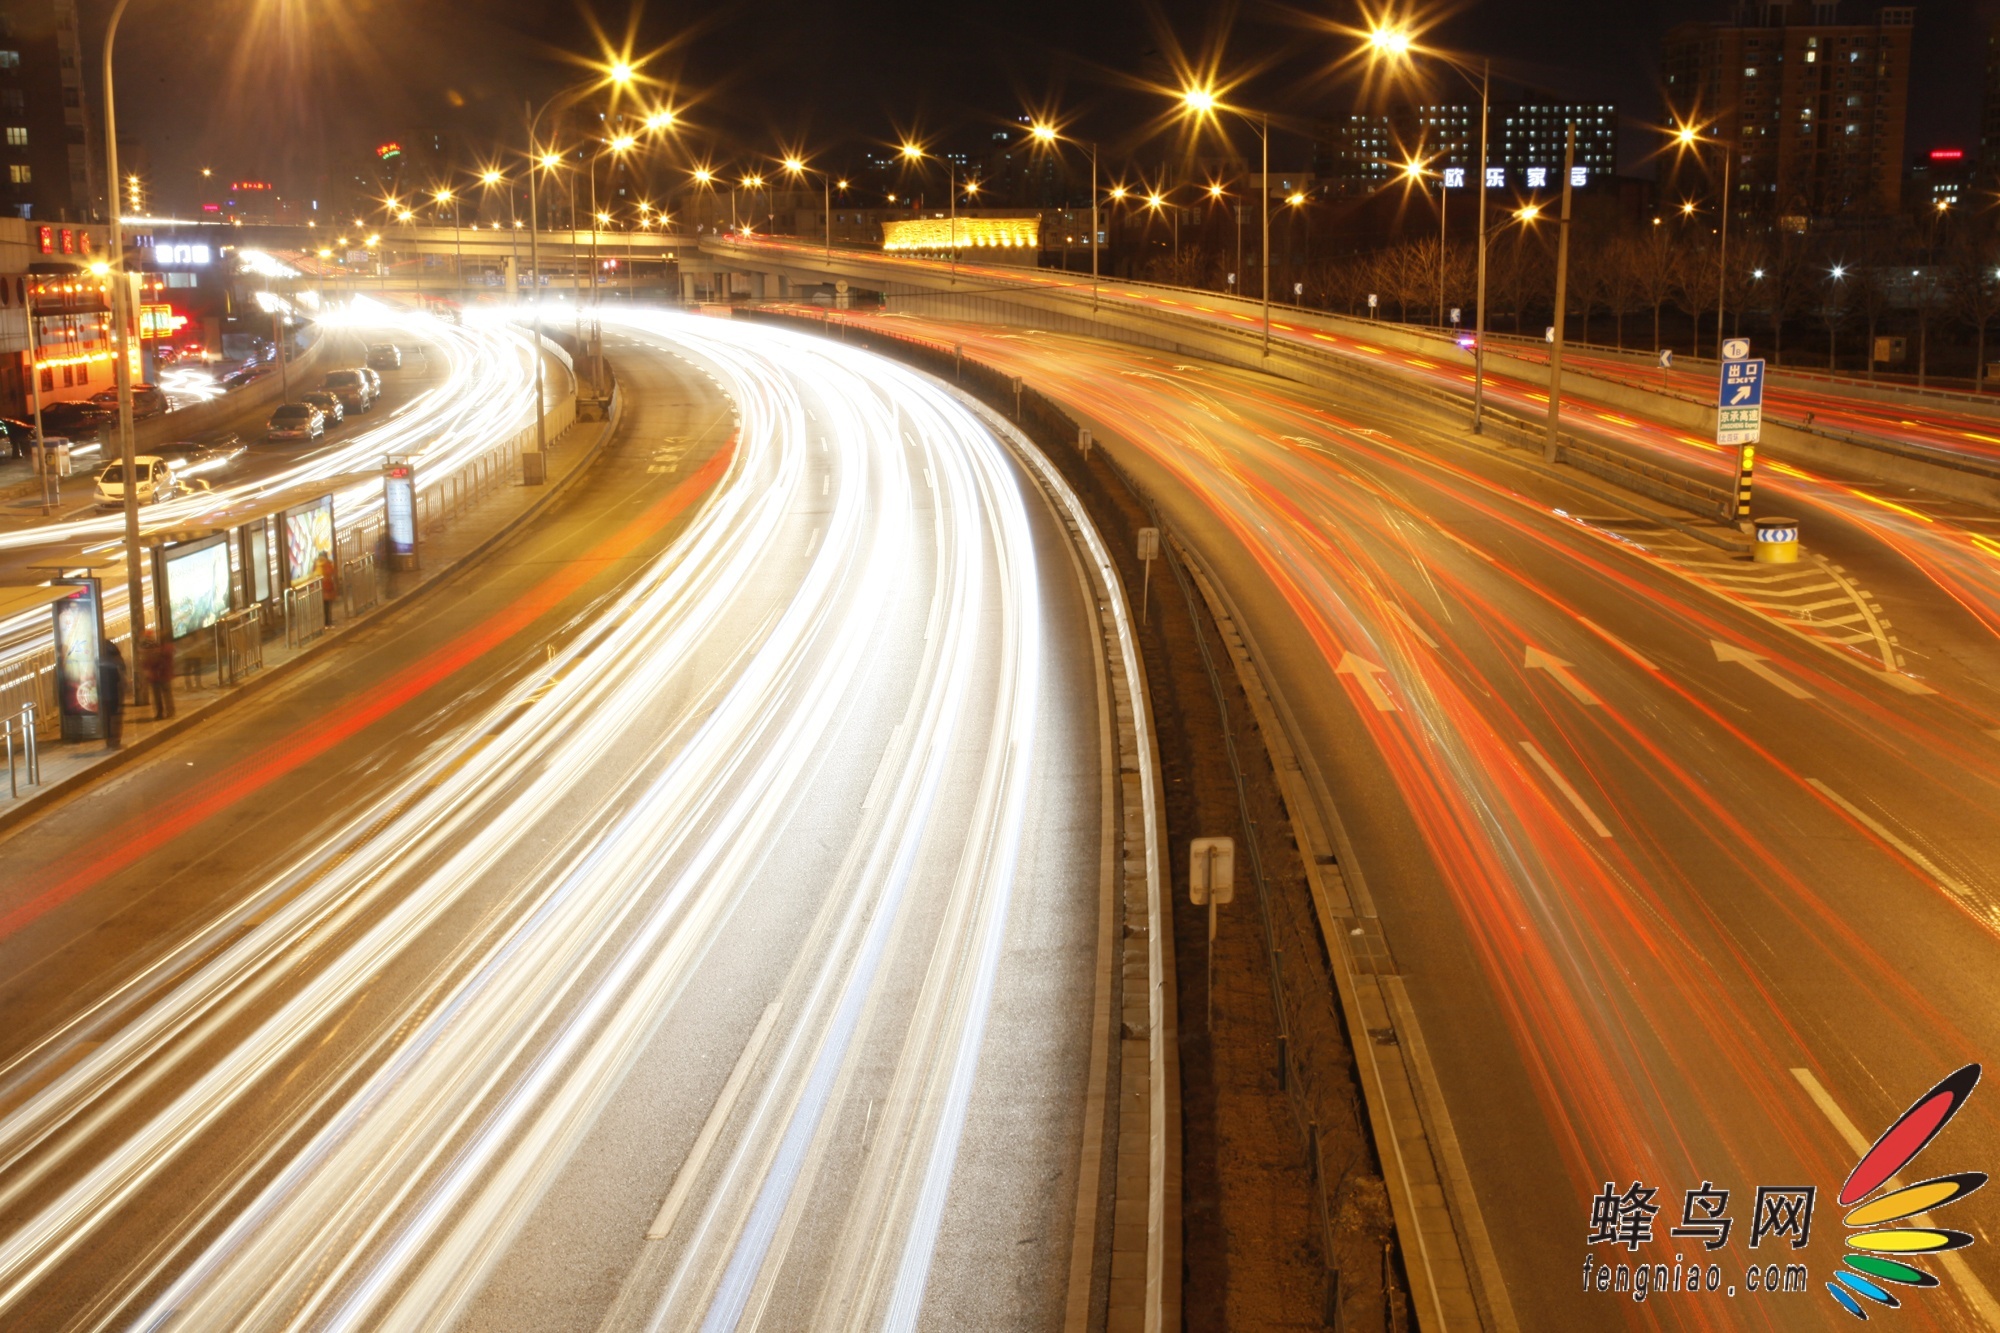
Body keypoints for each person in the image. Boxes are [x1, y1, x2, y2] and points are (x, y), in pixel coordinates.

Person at [98, 638, 127, 750]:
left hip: (103, 693)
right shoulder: (115, 663)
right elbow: (119, 678)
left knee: (107, 716)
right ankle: (114, 741)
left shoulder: (100, 660)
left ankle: (109, 740)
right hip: (113, 692)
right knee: (115, 717)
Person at [142, 630, 175, 720]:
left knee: (158, 695)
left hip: (157, 675)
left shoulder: (160, 649)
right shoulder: (164, 648)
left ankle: (161, 712)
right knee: (166, 694)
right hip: (162, 675)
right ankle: (169, 711)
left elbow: (148, 663)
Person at [316, 552, 339, 628]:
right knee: (328, 608)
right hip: (328, 589)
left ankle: (326, 623)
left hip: (321, 589)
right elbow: (332, 572)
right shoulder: (327, 564)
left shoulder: (317, 564)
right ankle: (328, 623)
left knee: (324, 608)